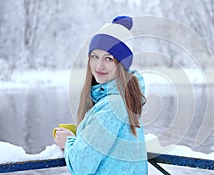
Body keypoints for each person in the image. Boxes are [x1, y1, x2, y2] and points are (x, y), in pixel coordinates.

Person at [54, 15, 148, 175]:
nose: (99, 65)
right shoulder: (124, 100)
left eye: (109, 59)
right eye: (95, 56)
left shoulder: (112, 107)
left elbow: (81, 166)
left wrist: (69, 141)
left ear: (121, 65)